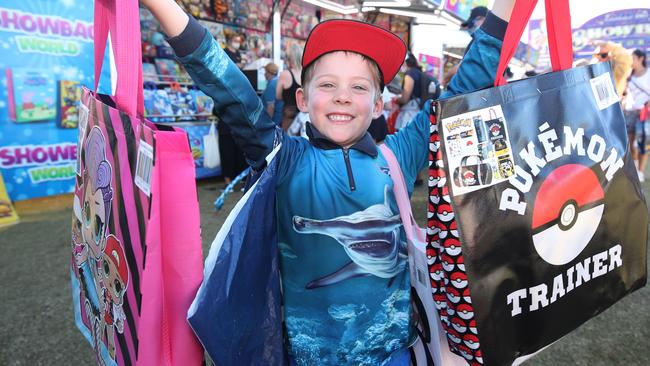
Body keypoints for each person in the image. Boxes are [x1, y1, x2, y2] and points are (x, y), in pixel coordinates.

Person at [140, 0, 515, 364]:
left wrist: (506, 9)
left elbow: (467, 83)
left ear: (379, 105)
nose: (342, 97)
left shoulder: (399, 155)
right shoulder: (286, 159)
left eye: (359, 87)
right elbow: (225, 83)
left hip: (395, 354)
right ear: (302, 99)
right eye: (328, 85)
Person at [624, 49, 650, 182]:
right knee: (630, 144)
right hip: (629, 112)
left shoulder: (648, 73)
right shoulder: (629, 75)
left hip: (645, 114)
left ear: (640, 59)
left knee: (642, 144)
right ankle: (634, 170)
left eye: (632, 58)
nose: (630, 61)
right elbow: (625, 93)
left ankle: (640, 171)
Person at [276, 42, 303, 131]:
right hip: (305, 116)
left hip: (289, 117)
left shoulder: (285, 74)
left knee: (289, 142)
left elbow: (278, 96)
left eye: (287, 57)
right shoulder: (307, 74)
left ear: (291, 58)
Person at [394, 53, 422, 130]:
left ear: (405, 62)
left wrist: (395, 99)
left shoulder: (410, 74)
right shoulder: (418, 73)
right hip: (417, 112)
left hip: (409, 113)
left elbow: (405, 98)